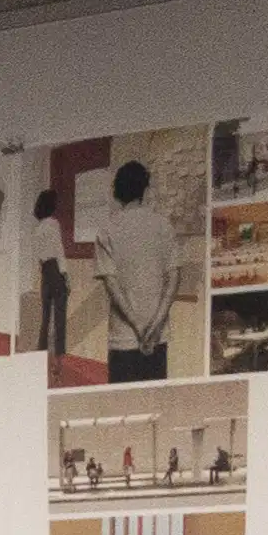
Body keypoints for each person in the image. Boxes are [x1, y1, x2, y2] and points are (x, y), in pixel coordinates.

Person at [99, 159, 177, 381]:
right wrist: (154, 325)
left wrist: (138, 325)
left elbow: (112, 285)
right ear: (145, 188)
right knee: (154, 407)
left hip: (122, 337)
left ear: (117, 191)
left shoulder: (107, 230)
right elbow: (173, 279)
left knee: (122, 408)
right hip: (157, 337)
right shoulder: (163, 225)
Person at [28, 187, 66, 360]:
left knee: (45, 318)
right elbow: (59, 251)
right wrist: (65, 274)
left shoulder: (37, 229)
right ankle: (59, 357)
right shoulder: (54, 224)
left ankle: (40, 353)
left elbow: (37, 256)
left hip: (44, 271)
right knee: (60, 318)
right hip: (56, 270)